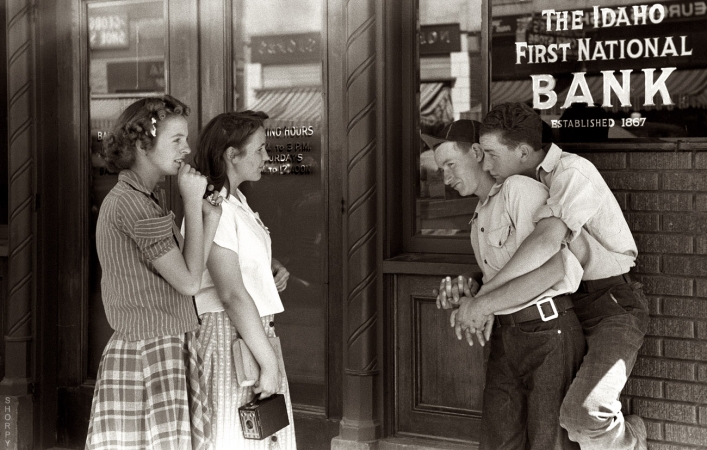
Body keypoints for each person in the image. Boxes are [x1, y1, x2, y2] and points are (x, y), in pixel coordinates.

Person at [463, 102, 649, 450]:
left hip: (611, 305)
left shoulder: (572, 172)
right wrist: (478, 290)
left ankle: (631, 440)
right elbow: (513, 259)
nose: (485, 165)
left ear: (522, 151)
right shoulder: (519, 186)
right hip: (565, 309)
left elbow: (547, 241)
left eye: (491, 154)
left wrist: (483, 301)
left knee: (583, 416)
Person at [424, 120, 586, 450]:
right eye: (442, 169)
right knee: (498, 442)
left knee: (548, 444)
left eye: (451, 165)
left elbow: (555, 267)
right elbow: (503, 276)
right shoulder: (480, 215)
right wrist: (468, 289)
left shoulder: (518, 190)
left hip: (548, 333)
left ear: (477, 152)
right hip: (507, 336)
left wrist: (481, 303)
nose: (447, 178)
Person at [87, 95, 222, 449]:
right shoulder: (134, 204)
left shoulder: (145, 197)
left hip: (162, 344)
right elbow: (191, 282)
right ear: (142, 144)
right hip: (149, 352)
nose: (187, 148)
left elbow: (191, 271)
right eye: (176, 140)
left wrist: (210, 219)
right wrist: (192, 204)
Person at [190, 110, 296, 449]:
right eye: (260, 149)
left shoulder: (237, 202)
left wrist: (268, 265)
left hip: (249, 333)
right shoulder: (214, 207)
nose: (267, 157)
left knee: (259, 436)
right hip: (229, 337)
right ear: (232, 155)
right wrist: (268, 362)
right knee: (235, 436)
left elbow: (235, 260)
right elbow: (231, 293)